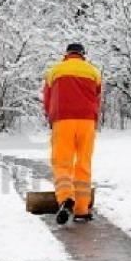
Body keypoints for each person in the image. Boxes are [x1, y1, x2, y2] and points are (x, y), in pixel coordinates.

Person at [43, 43, 102, 225]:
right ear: (83, 55)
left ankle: (66, 198)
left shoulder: (55, 71)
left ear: (66, 54)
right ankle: (82, 211)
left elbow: (46, 99)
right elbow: (97, 98)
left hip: (63, 121)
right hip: (87, 123)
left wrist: (50, 118)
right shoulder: (94, 72)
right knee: (83, 163)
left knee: (62, 163)